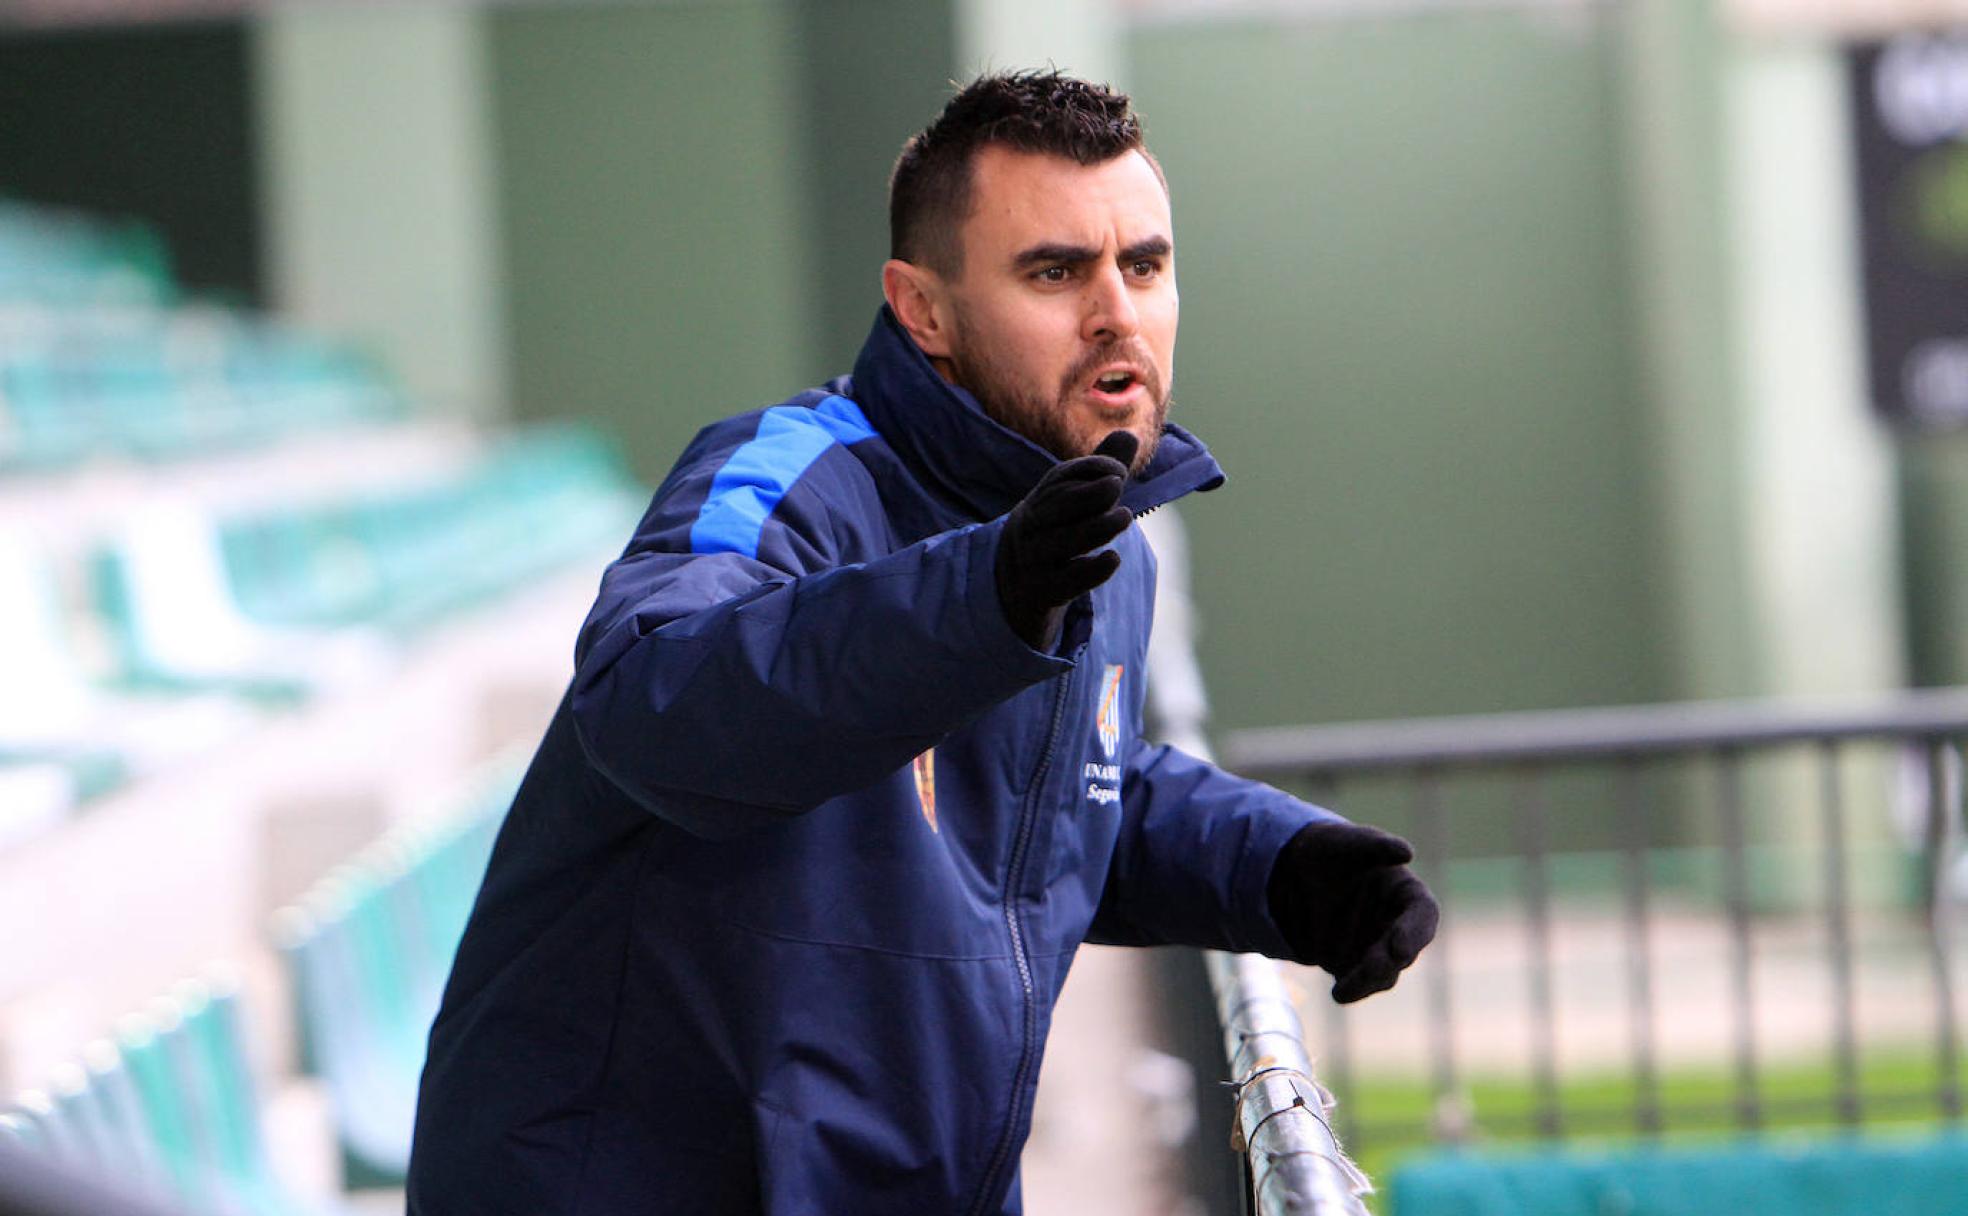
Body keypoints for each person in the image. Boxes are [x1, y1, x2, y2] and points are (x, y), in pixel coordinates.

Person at [406, 70, 1437, 1216]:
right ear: (924, 308)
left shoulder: (1097, 544)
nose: (1117, 314)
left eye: (1143, 265)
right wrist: (982, 595)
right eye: (1054, 271)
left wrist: (1277, 867)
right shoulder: (785, 475)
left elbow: (1053, 795)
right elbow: (653, 693)